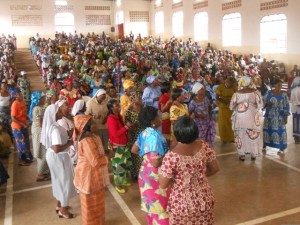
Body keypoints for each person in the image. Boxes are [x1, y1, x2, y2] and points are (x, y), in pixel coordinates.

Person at [159, 116, 219, 225]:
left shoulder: (171, 156)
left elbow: (163, 184)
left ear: (176, 133)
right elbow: (215, 168)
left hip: (182, 203)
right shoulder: (204, 146)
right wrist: (197, 177)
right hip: (204, 199)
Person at [131, 106, 169, 224]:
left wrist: (146, 158)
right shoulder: (154, 137)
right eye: (157, 116)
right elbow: (156, 162)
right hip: (155, 176)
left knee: (151, 207)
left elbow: (134, 149)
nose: (160, 117)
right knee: (159, 206)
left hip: (145, 173)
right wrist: (169, 155)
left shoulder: (144, 133)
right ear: (153, 121)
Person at [41, 104, 77, 219]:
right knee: (64, 181)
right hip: (59, 157)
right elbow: (56, 148)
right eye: (59, 111)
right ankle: (63, 210)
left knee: (58, 181)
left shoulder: (51, 125)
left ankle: (59, 205)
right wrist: (70, 143)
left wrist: (70, 132)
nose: (62, 112)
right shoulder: (55, 129)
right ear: (54, 114)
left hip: (53, 156)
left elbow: (63, 135)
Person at [73, 115, 109, 225]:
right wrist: (108, 156)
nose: (96, 125)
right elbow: (95, 161)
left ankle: (99, 222)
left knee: (97, 202)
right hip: (88, 177)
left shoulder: (93, 136)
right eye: (93, 123)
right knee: (90, 204)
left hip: (95, 176)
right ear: (86, 127)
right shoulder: (86, 141)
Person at [230, 76, 263, 161]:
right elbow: (260, 105)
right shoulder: (256, 92)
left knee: (240, 135)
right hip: (253, 117)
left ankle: (242, 155)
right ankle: (253, 154)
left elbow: (231, 106)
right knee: (253, 134)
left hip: (240, 118)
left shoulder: (237, 93)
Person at [107, 99, 132, 193]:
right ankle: (118, 184)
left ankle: (123, 180)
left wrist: (127, 127)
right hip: (117, 146)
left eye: (118, 105)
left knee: (124, 164)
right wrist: (126, 127)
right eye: (116, 106)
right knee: (118, 166)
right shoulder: (111, 119)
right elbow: (115, 134)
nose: (119, 107)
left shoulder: (119, 116)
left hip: (123, 144)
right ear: (111, 108)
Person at [263, 79, 290, 152]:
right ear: (274, 85)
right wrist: (267, 104)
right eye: (278, 84)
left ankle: (281, 147)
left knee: (280, 131)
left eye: (280, 84)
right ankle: (265, 144)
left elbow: (287, 106)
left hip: (280, 116)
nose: (279, 86)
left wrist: (286, 117)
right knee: (268, 131)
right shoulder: (268, 93)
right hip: (269, 116)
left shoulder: (284, 95)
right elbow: (263, 103)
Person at [29, 91, 50, 181]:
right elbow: (40, 123)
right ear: (39, 99)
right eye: (43, 98)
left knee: (42, 151)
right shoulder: (38, 109)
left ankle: (44, 171)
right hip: (39, 131)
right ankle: (40, 174)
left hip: (37, 130)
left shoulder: (37, 107)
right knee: (42, 152)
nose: (44, 99)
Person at [189, 82, 216, 148]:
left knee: (208, 139)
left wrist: (214, 105)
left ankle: (207, 152)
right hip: (199, 124)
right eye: (201, 89)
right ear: (196, 91)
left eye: (203, 89)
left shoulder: (206, 99)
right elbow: (189, 113)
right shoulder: (193, 102)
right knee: (200, 140)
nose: (203, 91)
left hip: (207, 122)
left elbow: (210, 108)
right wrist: (198, 115)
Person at [124, 93, 143, 181]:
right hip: (132, 134)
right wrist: (131, 126)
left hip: (141, 134)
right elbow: (126, 122)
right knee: (133, 154)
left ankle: (141, 173)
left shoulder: (143, 109)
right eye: (138, 99)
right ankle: (134, 173)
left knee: (140, 154)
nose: (140, 100)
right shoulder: (129, 110)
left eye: (140, 99)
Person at [11, 92, 33, 166]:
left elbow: (24, 113)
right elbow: (13, 118)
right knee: (21, 144)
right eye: (19, 95)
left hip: (24, 126)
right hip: (17, 127)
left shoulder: (22, 102)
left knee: (26, 143)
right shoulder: (15, 104)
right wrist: (22, 124)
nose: (21, 96)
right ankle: (21, 160)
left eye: (21, 95)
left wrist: (28, 118)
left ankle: (26, 158)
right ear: (16, 96)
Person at [215, 77, 237, 144]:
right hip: (223, 106)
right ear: (226, 81)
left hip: (231, 107)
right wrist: (225, 101)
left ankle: (231, 137)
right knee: (223, 123)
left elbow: (236, 95)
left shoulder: (234, 87)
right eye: (229, 83)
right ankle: (224, 138)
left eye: (231, 84)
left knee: (231, 122)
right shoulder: (220, 87)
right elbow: (217, 97)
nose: (230, 85)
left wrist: (233, 101)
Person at [290, 74, 300, 143]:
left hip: (296, 109)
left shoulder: (296, 89)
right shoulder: (296, 90)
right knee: (297, 122)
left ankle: (297, 136)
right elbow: (297, 102)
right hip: (297, 109)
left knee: (297, 122)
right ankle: (297, 137)